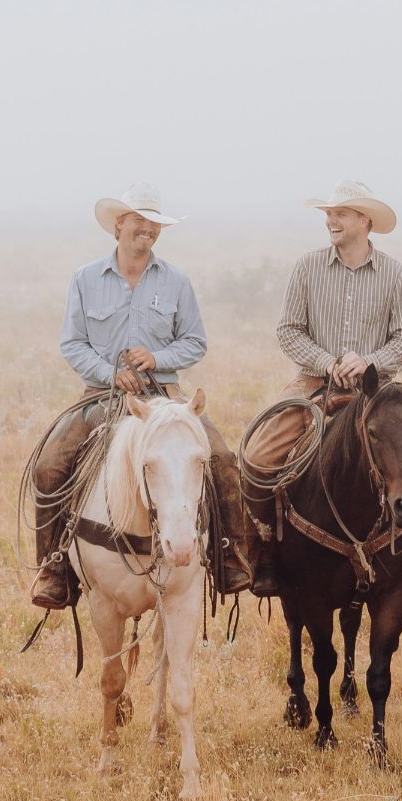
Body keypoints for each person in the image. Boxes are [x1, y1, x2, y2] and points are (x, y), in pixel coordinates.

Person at [27, 183, 252, 610]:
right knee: (51, 463)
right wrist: (110, 374)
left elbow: (195, 342)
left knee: (221, 458)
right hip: (100, 395)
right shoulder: (86, 279)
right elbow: (73, 344)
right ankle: (54, 566)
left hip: (166, 394)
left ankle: (229, 556)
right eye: (138, 222)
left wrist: (158, 357)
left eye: (154, 224)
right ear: (119, 226)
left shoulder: (176, 281)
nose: (146, 230)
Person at [240, 179, 402, 597]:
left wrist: (370, 361)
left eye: (340, 213)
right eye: (328, 214)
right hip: (312, 383)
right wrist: (329, 362)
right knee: (255, 456)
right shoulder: (307, 267)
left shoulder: (394, 274)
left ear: (364, 220)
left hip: (380, 392)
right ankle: (263, 551)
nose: (330, 220)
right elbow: (288, 331)